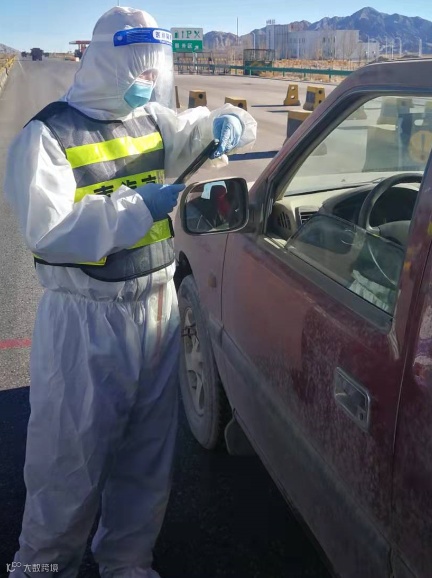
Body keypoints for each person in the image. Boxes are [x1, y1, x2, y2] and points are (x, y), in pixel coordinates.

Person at [4, 6, 257, 578]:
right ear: (107, 64)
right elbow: (49, 232)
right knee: (67, 467)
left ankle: (127, 560)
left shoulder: (151, 121)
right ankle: (42, 567)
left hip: (157, 310)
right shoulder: (48, 136)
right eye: (138, 71)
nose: (147, 81)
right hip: (86, 324)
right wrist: (136, 208)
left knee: (147, 456)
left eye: (153, 70)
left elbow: (201, 129)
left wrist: (230, 124)